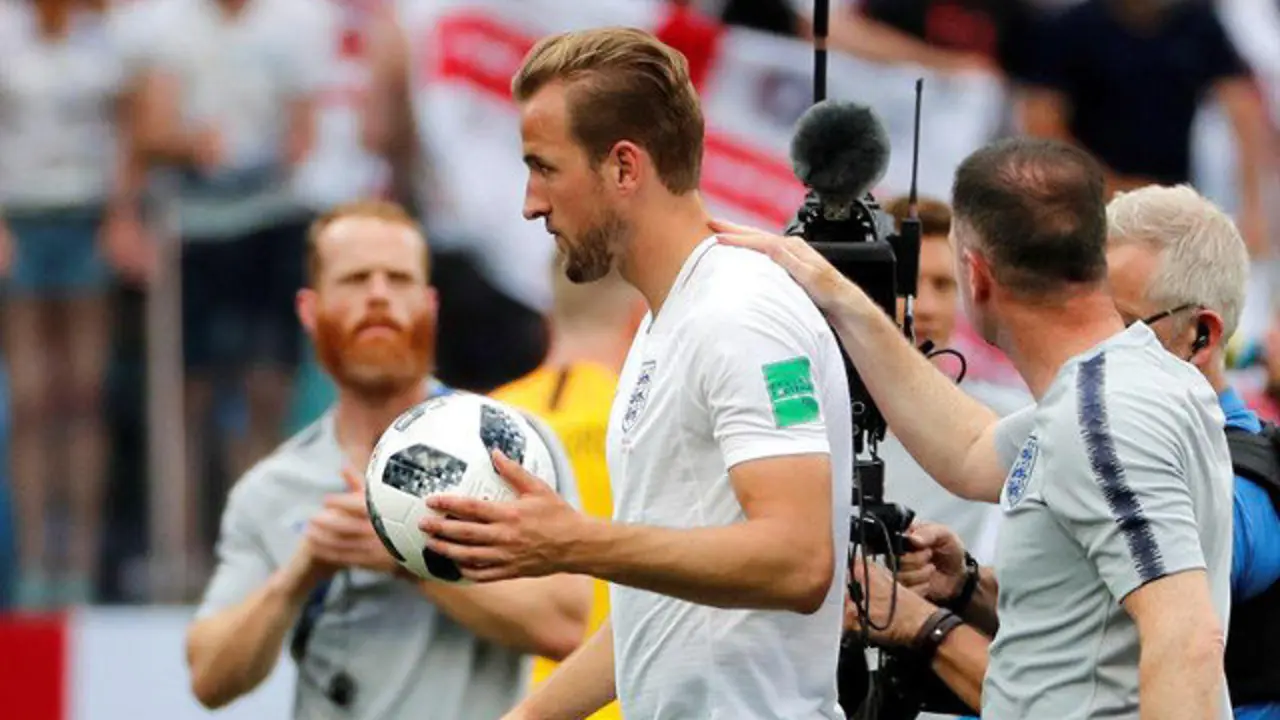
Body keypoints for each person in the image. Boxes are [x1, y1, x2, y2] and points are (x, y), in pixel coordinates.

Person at [714, 137, 1233, 719]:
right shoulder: (1114, 389)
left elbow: (1186, 640)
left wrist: (926, 626)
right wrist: (843, 295)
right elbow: (969, 450)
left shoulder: (1104, 415)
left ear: (976, 274)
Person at [419, 27, 855, 720]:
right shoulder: (663, 324)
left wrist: (574, 541)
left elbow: (800, 560)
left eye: (545, 168)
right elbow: (657, 616)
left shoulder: (740, 311)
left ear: (624, 167)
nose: (531, 202)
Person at [857, 184, 1280, 720]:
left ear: (1201, 335)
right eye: (1083, 311)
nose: (1087, 339)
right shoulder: (1096, 414)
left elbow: (1140, 654)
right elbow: (972, 450)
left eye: (1120, 324)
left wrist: (921, 625)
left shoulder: (1241, 489)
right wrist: (966, 584)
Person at [185, 200, 591, 719]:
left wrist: (405, 557)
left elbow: (565, 625)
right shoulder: (273, 485)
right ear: (309, 310)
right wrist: (300, 574)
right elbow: (208, 678)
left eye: (398, 279)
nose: (378, 295)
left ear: (430, 305)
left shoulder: (508, 446)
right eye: (355, 279)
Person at [132, 0, 325, 581]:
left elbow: (304, 129)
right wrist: (191, 145)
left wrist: (279, 154)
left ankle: (263, 544)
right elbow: (149, 130)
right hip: (196, 228)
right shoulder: (167, 27)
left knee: (267, 386)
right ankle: (186, 550)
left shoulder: (291, 24)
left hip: (270, 220)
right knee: (188, 396)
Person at [0, 0, 150, 607]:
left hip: (85, 217)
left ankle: (81, 558)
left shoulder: (105, 42)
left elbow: (128, 134)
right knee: (32, 397)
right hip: (23, 218)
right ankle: (36, 557)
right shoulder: (6, 34)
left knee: (85, 394)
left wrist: (122, 214)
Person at [491, 259, 646, 720]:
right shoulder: (651, 422)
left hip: (514, 703)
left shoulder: (487, 420)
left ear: (546, 319)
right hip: (625, 703)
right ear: (640, 319)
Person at [877, 196, 1029, 565]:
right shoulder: (814, 419)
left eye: (943, 285)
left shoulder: (1008, 420)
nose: (925, 307)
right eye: (905, 285)